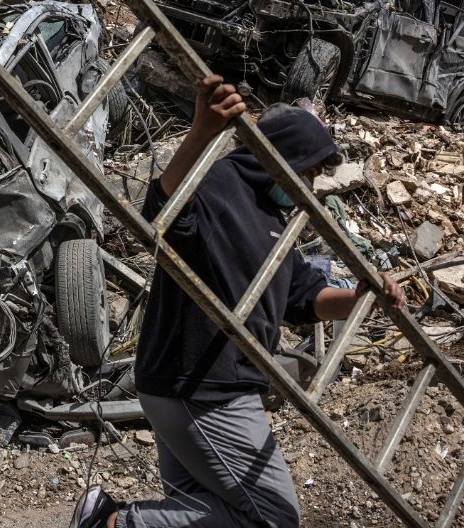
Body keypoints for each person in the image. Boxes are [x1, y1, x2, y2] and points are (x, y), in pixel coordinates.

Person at [70, 76, 404, 528]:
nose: (310, 184)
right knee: (274, 516)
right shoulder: (221, 183)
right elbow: (161, 215)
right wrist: (202, 131)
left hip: (206, 384)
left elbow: (304, 298)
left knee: (206, 508)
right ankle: (110, 524)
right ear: (283, 156)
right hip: (202, 384)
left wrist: (364, 299)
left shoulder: (277, 218)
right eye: (306, 170)